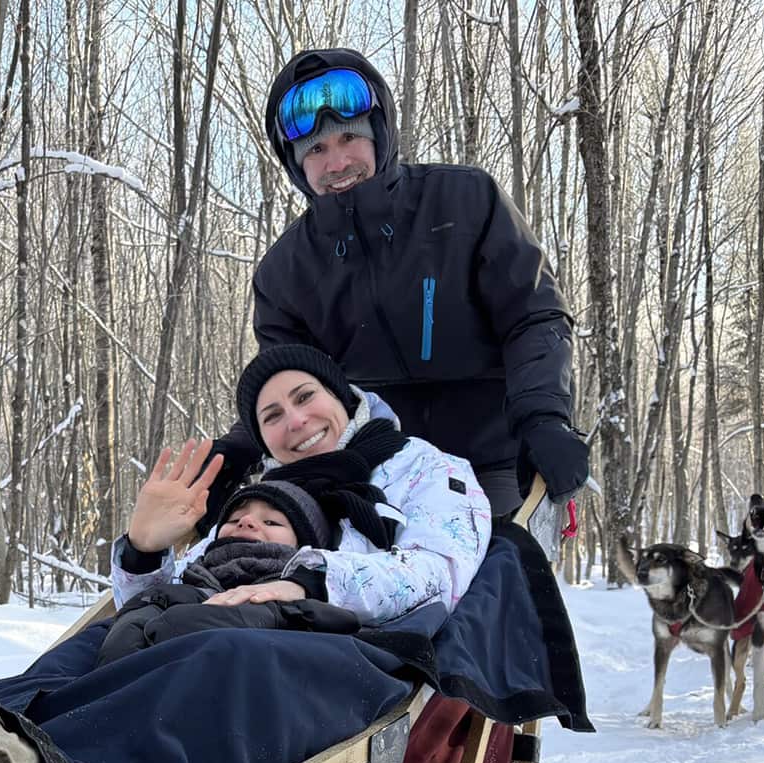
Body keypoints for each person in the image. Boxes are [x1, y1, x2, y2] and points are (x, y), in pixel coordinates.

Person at [211, 47, 588, 520]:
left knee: (501, 562)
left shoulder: (466, 201)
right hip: (374, 473)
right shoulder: (286, 271)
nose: (337, 163)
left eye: (349, 137)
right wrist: (232, 456)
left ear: (380, 134)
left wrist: (543, 417)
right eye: (316, 150)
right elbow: (286, 384)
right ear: (296, 165)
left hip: (492, 462)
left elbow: (532, 316)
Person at [112, 344, 493, 628]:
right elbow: (167, 602)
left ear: (340, 396)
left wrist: (310, 583)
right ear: (263, 440)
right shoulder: (262, 501)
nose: (296, 421)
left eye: (305, 396)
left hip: (358, 661)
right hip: (233, 644)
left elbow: (439, 574)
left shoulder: (425, 466)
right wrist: (143, 554)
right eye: (272, 416)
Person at [96, 479, 363, 665]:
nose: (246, 521)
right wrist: (142, 553)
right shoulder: (184, 583)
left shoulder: (310, 600)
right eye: (234, 519)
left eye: (271, 521)